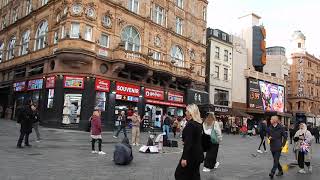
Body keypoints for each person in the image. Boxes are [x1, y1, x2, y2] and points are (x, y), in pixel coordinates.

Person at [175, 104, 204, 180]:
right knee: (194, 175)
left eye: (187, 111)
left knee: (179, 174)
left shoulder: (191, 124)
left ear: (191, 113)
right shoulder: (199, 124)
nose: (185, 113)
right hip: (198, 154)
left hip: (190, 154)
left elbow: (188, 142)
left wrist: (184, 158)